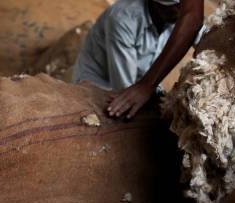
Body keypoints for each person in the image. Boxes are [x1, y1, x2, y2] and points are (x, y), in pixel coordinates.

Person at [72, 0, 204, 118]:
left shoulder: (176, 18)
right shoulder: (123, 19)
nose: (180, 11)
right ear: (156, 4)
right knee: (111, 115)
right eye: (176, 7)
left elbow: (200, 33)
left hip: (142, 80)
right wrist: (146, 87)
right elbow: (125, 87)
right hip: (102, 80)